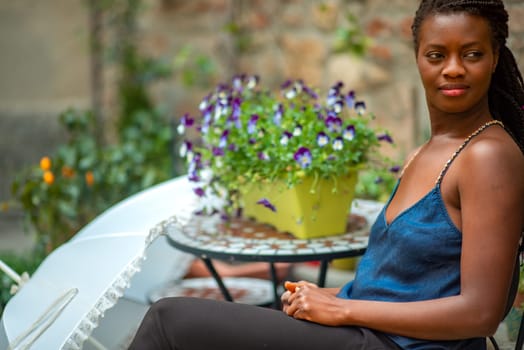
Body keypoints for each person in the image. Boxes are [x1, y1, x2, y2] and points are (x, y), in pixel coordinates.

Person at [128, 0, 524, 348]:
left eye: (471, 54)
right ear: (418, 57)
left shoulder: (487, 156)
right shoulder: (428, 150)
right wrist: (324, 296)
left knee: (170, 322)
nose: (453, 69)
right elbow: (402, 286)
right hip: (370, 333)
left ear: (494, 58)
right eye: (436, 55)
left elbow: (480, 314)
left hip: (404, 346)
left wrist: (344, 308)